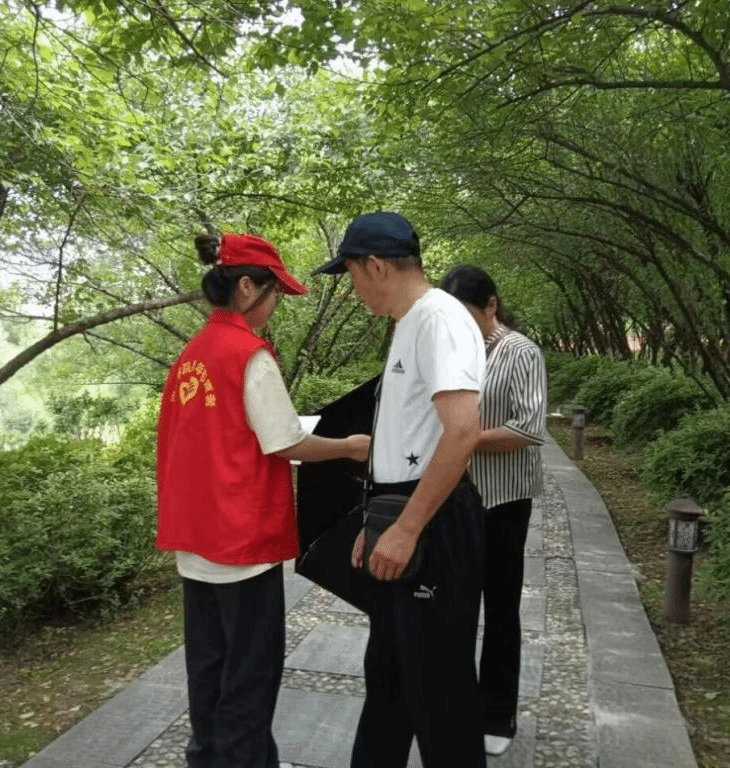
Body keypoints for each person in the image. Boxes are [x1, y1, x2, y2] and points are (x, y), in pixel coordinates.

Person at [156, 232, 370, 768]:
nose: (276, 305)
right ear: (248, 287)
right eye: (275, 294)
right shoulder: (249, 355)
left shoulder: (192, 355)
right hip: (241, 542)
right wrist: (349, 446)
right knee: (250, 677)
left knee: (208, 668)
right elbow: (286, 441)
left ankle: (206, 758)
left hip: (196, 539)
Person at [312, 211, 488, 768]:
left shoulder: (439, 319)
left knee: (440, 694)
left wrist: (408, 527)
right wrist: (376, 523)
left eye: (350, 275)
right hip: (397, 508)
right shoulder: (411, 322)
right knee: (389, 678)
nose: (353, 289)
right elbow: (408, 432)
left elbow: (462, 431)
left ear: (376, 265)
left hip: (432, 520)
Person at [439, 264, 547, 756]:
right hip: (455, 494)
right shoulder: (452, 351)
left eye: (465, 314)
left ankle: (497, 714)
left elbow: (529, 427)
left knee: (500, 606)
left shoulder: (520, 352)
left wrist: (466, 440)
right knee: (454, 603)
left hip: (503, 498)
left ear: (491, 307)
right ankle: (456, 704)